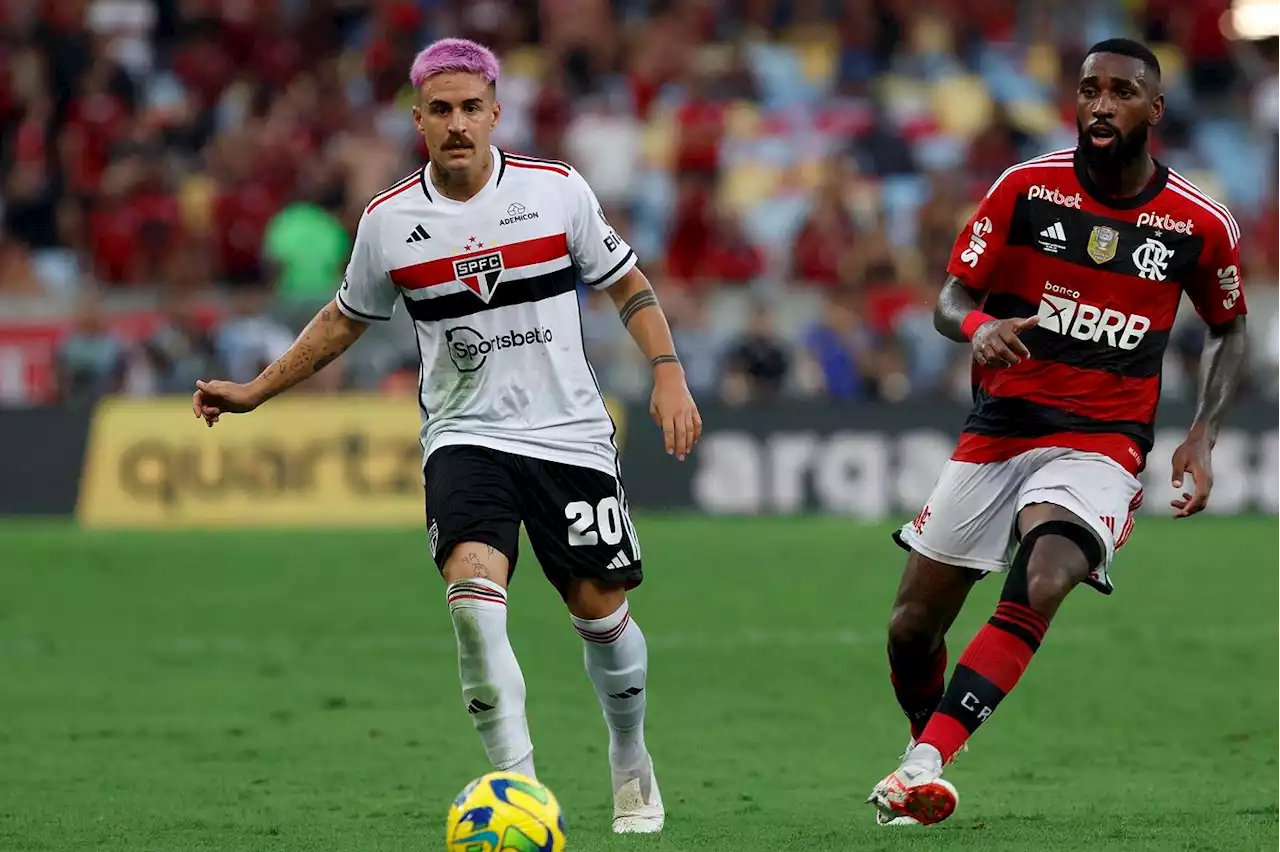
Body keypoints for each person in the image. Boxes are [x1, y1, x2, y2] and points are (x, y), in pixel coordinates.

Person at [191, 38, 701, 835]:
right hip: (465, 436)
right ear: (417, 119)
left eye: (471, 108)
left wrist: (667, 372)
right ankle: (521, 795)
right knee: (472, 604)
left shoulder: (557, 192)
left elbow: (626, 282)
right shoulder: (389, 222)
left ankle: (630, 757)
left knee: (600, 612)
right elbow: (341, 320)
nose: (457, 123)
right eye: (441, 110)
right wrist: (258, 389)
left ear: (496, 112)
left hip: (569, 433)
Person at [867, 38, 1248, 826]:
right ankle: (930, 738)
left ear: (1155, 109)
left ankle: (924, 762)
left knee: (1047, 575)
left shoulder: (1199, 224)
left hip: (1105, 438)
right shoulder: (1026, 190)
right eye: (1089, 90)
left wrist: (1204, 432)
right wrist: (975, 327)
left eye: (1121, 91)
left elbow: (1229, 328)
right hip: (1001, 428)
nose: (1101, 104)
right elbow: (950, 296)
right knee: (910, 631)